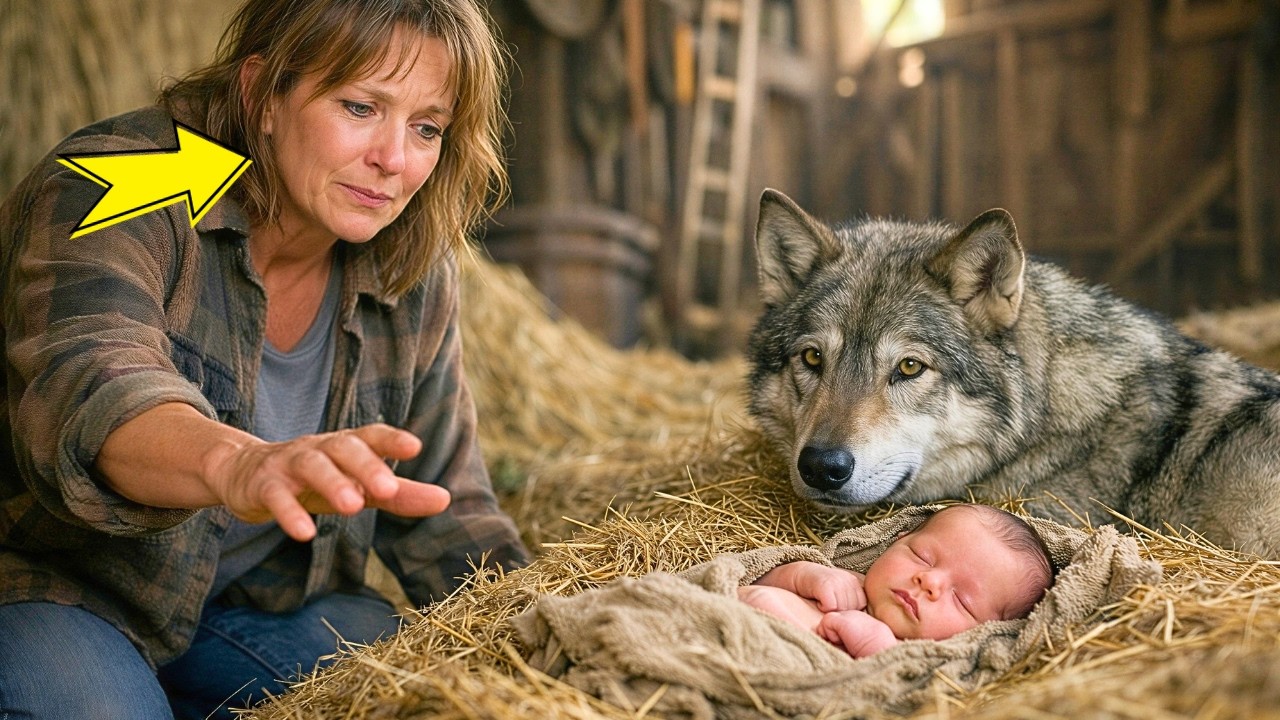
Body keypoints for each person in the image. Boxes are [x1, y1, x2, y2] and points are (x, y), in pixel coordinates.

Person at [0, 1, 530, 718]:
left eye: (426, 126)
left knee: (413, 687)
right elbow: (93, 384)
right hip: (57, 584)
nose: (394, 159)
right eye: (360, 106)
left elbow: (448, 510)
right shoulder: (127, 180)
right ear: (262, 93)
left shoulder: (411, 261)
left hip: (256, 602)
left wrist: (564, 628)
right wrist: (240, 464)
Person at [737, 504, 1055, 658]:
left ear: (985, 633)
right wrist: (804, 575)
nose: (929, 580)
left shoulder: (922, 662)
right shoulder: (847, 579)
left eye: (962, 600)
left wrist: (876, 651)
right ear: (894, 542)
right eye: (921, 556)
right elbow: (751, 573)